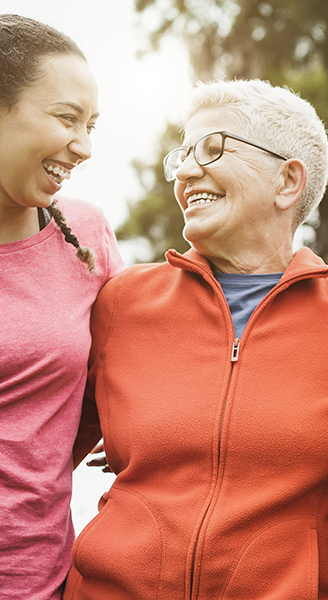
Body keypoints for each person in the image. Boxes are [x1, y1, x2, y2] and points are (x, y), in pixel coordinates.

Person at [64, 79, 328, 600]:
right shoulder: (121, 304)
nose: (186, 171)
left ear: (287, 182)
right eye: (181, 155)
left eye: (213, 149)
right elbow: (37, 449)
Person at [0, 14, 124, 600]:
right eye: (67, 118)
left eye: (91, 125)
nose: (84, 146)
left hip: (35, 578)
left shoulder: (88, 234)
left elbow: (127, 376)